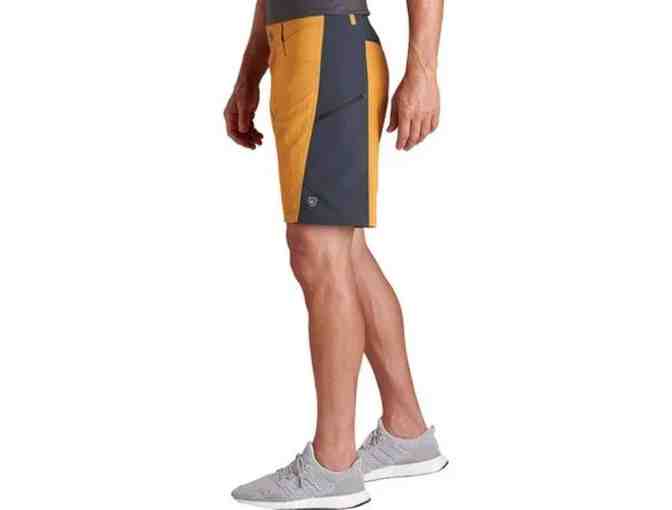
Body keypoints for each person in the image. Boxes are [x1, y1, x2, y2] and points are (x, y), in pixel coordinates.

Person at [225, 1, 445, 508]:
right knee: (342, 251)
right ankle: (406, 429)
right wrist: (249, 75)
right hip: (302, 47)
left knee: (318, 251)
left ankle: (333, 464)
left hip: (328, 49)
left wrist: (424, 72)